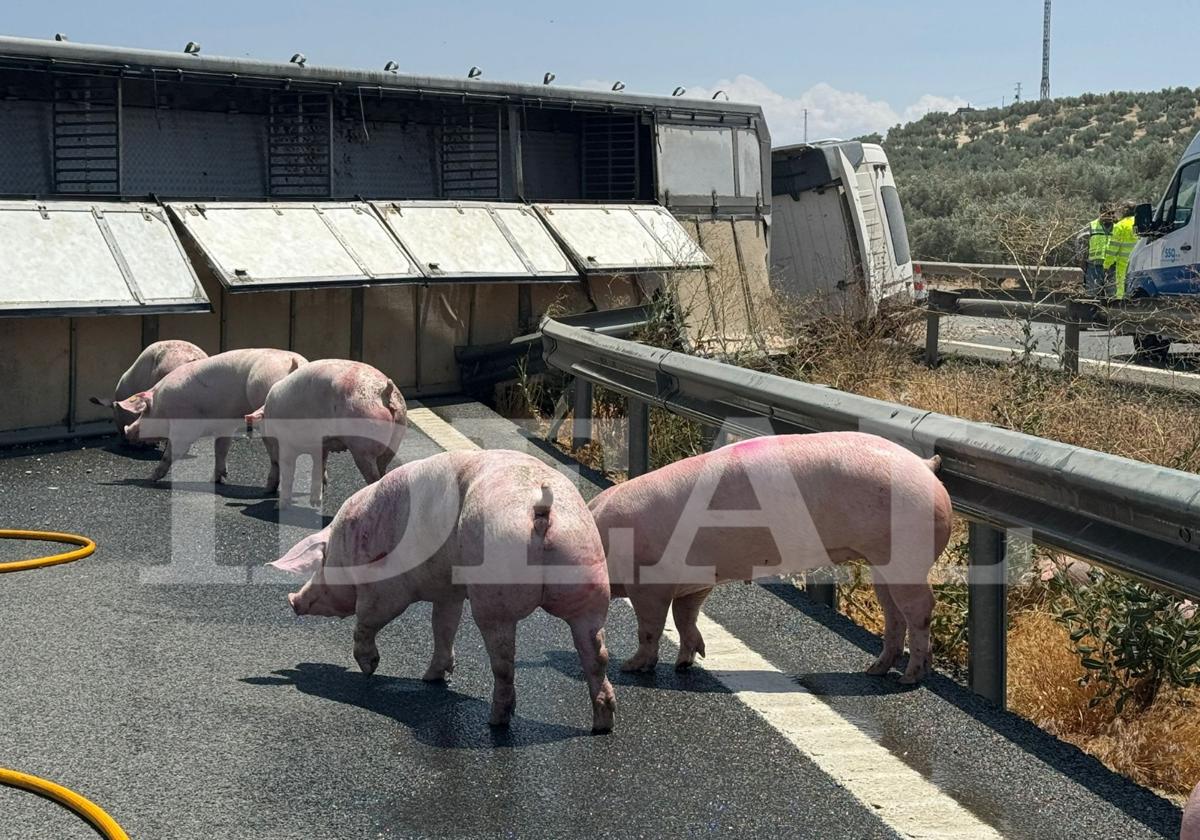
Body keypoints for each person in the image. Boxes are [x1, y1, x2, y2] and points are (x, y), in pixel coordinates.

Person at [1103, 202, 1139, 299]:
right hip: (1141, 261)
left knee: (1121, 288)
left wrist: (1106, 264)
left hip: (1124, 263)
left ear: (1124, 211)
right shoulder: (1141, 223)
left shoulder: (1120, 226)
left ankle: (1121, 306)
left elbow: (1113, 249)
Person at [1082, 209, 1114, 296]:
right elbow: (1082, 244)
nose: (1109, 215)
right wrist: (1082, 262)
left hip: (1112, 267)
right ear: (1100, 213)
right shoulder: (1092, 225)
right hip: (1094, 267)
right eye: (1107, 213)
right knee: (1091, 296)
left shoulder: (1118, 227)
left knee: (1112, 298)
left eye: (1112, 213)